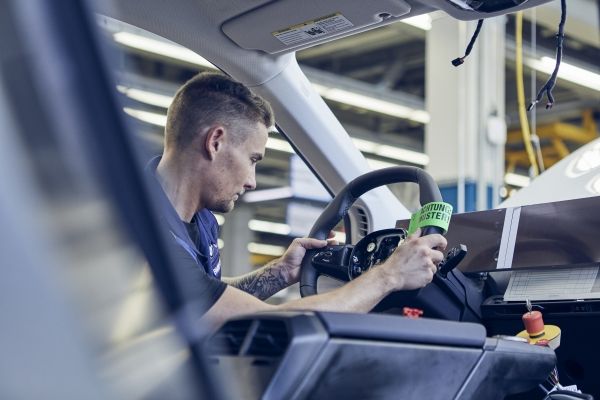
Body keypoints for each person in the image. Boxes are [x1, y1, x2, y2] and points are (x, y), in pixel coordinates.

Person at [148, 72, 447, 328]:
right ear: (215, 142)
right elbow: (268, 323)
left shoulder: (199, 219)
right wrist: (389, 275)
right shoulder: (142, 234)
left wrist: (280, 272)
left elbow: (208, 300)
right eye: (253, 159)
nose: (252, 181)